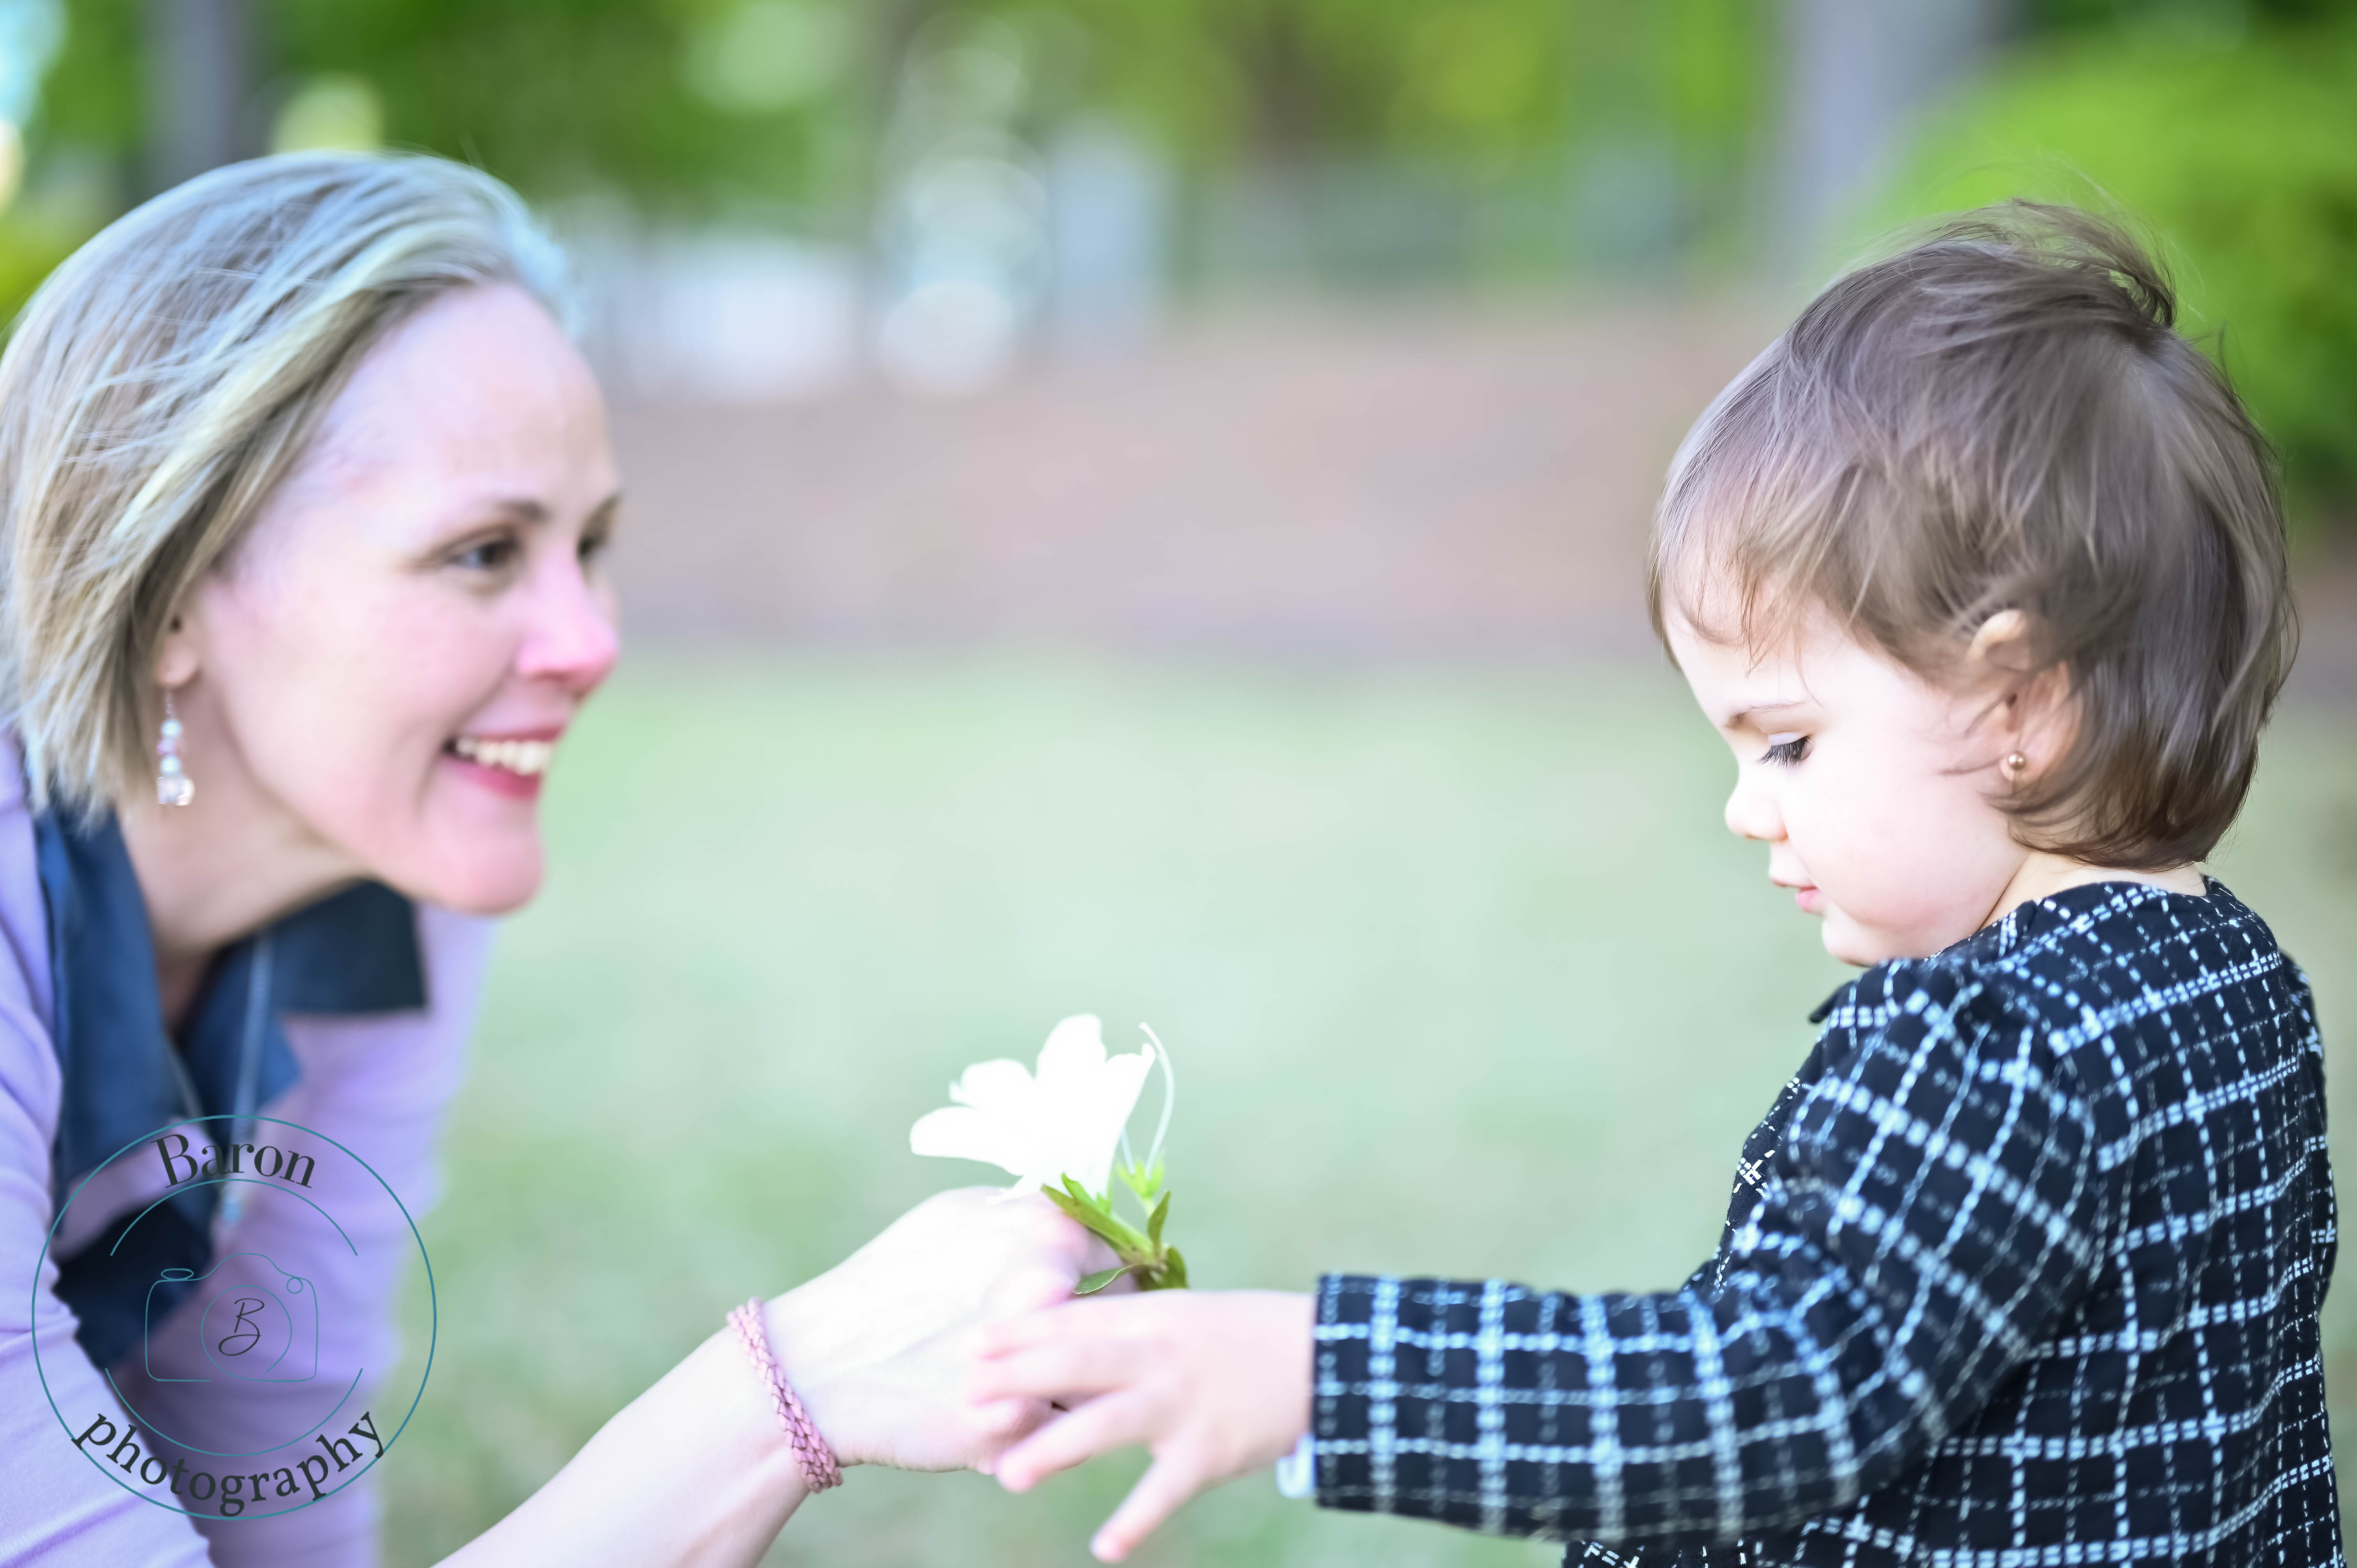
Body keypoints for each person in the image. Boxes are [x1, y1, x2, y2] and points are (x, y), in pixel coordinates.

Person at [966, 205, 2342, 1567]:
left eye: (1790, 742)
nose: (1748, 812)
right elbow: (2277, 1463)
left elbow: (1769, 1389)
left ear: (2020, 703)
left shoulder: (1995, 1044)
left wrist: (1321, 1374)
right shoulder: (2242, 991)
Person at [0, 151, 1102, 1566]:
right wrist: (788, 1390)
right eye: (480, 553)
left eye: (590, 545)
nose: (591, 643)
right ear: (163, 596)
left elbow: (253, 1430)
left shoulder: (379, 869)